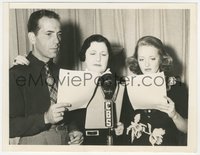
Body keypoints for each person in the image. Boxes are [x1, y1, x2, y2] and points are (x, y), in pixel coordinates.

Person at [13, 34, 125, 145]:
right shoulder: (69, 80)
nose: (98, 58)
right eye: (92, 53)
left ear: (109, 57)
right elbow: (66, 117)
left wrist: (122, 127)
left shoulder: (120, 85)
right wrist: (24, 65)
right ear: (84, 56)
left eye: (104, 54)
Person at [9, 9, 83, 145]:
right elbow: (9, 125)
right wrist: (45, 118)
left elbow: (70, 113)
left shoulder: (63, 73)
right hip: (34, 142)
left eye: (59, 34)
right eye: (49, 34)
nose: (57, 41)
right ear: (32, 37)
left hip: (65, 141)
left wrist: (74, 130)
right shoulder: (16, 73)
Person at [120, 36, 188, 146]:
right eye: (141, 59)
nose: (146, 64)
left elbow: (187, 129)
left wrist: (174, 115)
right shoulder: (129, 87)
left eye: (152, 59)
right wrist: (120, 127)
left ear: (162, 59)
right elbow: (124, 125)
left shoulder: (177, 87)